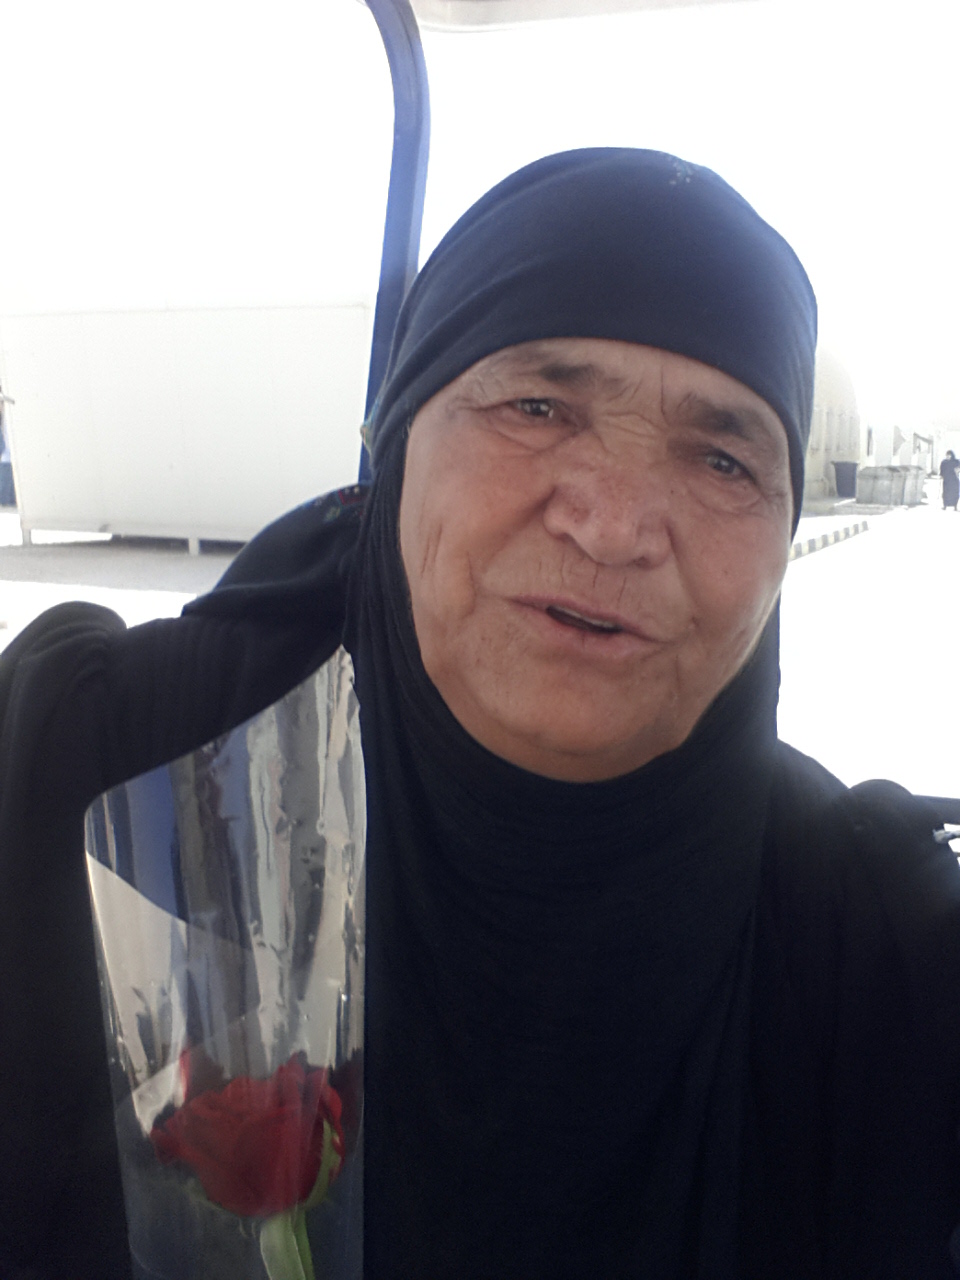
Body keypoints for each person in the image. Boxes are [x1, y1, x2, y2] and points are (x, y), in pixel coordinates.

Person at [1, 149, 959, 1280]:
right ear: (400, 444)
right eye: (537, 406)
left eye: (721, 457)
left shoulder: (875, 954)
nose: (614, 523)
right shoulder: (95, 760)